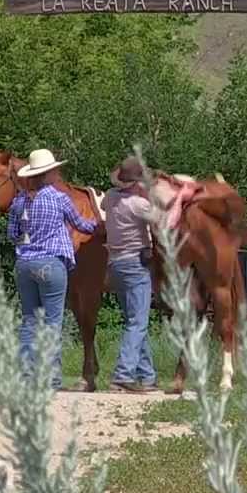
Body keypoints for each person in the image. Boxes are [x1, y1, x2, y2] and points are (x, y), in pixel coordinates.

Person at [7, 148, 98, 390]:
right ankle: (52, 379)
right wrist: (100, 223)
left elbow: (13, 234)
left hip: (25, 264)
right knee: (52, 322)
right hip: (51, 264)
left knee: (29, 321)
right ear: (47, 174)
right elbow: (81, 225)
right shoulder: (59, 199)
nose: (58, 172)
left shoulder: (19, 202)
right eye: (54, 170)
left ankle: (26, 377)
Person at [103, 155, 162, 394]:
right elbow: (161, 220)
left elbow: (107, 206)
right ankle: (122, 375)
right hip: (135, 264)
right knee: (138, 323)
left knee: (134, 322)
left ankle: (147, 377)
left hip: (115, 264)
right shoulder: (139, 205)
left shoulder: (109, 198)